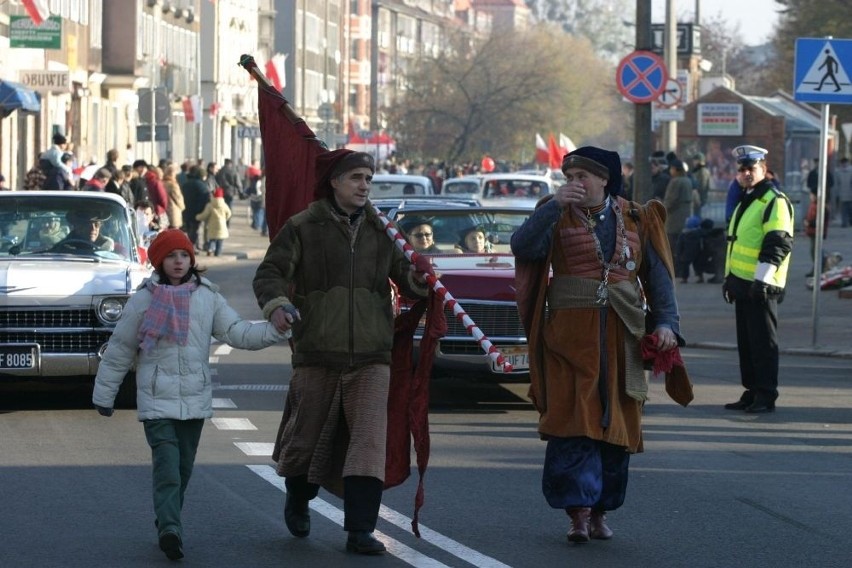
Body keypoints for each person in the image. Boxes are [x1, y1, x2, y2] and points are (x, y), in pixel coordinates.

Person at [252, 149, 431, 555]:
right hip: (317, 351)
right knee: (306, 440)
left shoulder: (383, 229)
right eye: (355, 178)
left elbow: (406, 276)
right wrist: (278, 305)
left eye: (368, 178)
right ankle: (298, 497)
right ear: (334, 182)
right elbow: (271, 273)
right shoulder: (303, 226)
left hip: (371, 354)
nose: (364, 185)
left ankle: (360, 531)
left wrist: (420, 277)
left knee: (368, 442)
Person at [511, 145, 692, 544]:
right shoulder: (552, 212)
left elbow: (658, 277)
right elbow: (523, 247)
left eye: (582, 178)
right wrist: (551, 208)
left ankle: (601, 511)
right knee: (574, 424)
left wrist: (665, 323)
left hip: (623, 338)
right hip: (567, 341)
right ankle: (577, 513)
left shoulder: (637, 216)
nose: (574, 184)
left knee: (616, 426)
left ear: (604, 180)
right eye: (569, 178)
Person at [91, 229, 285, 561]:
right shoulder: (143, 301)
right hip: (156, 401)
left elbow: (237, 332)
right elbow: (120, 350)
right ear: (158, 262)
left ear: (192, 260)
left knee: (182, 470)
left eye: (183, 255)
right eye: (170, 256)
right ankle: (170, 528)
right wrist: (104, 395)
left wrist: (277, 329)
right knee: (166, 467)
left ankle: (168, 517)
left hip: (194, 401)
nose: (178, 262)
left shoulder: (207, 298)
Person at [722, 145, 794, 414]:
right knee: (747, 343)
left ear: (764, 169)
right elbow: (737, 243)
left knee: (763, 344)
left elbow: (778, 243)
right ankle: (751, 391)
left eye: (751, 168)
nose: (746, 173)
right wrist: (729, 279)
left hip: (761, 285)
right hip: (743, 282)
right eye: (741, 169)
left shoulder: (774, 200)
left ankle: (765, 395)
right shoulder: (747, 198)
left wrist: (761, 280)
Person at [662, 159, 695, 260]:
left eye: (671, 169)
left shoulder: (675, 181)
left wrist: (663, 210)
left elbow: (671, 199)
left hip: (674, 217)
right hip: (685, 214)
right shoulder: (688, 180)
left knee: (671, 243)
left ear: (676, 170)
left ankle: (673, 266)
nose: (670, 171)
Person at [195, 187, 231, 256]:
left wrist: (197, 217)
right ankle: (218, 253)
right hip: (222, 226)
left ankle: (210, 249)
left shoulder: (210, 205)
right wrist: (225, 219)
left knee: (212, 239)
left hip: (212, 226)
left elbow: (204, 215)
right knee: (220, 241)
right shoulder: (224, 205)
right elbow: (229, 213)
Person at [181, 165, 211, 249]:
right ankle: (193, 246)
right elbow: (204, 199)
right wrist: (201, 210)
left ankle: (194, 245)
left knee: (190, 229)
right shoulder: (201, 185)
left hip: (186, 210)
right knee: (195, 230)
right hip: (197, 211)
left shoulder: (185, 184)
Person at [803, 192, 829, 276]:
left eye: (812, 195)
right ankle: (818, 267)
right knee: (814, 251)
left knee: (816, 251)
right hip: (812, 231)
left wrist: (809, 223)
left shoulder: (820, 206)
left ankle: (819, 268)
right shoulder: (813, 205)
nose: (810, 197)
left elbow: (820, 220)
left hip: (816, 232)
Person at [675, 215, 704, 283]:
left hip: (686, 253)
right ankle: (700, 277)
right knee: (698, 265)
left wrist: (678, 253)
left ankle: (684, 278)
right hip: (697, 252)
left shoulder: (684, 233)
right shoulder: (699, 232)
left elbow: (679, 244)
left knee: (685, 266)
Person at [835, 157, 852, 227]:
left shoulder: (850, 171)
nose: (844, 164)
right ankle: (844, 223)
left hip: (850, 193)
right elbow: (837, 183)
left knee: (850, 209)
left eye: (845, 163)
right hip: (842, 194)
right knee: (844, 210)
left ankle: (849, 222)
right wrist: (837, 193)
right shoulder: (838, 172)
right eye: (843, 163)